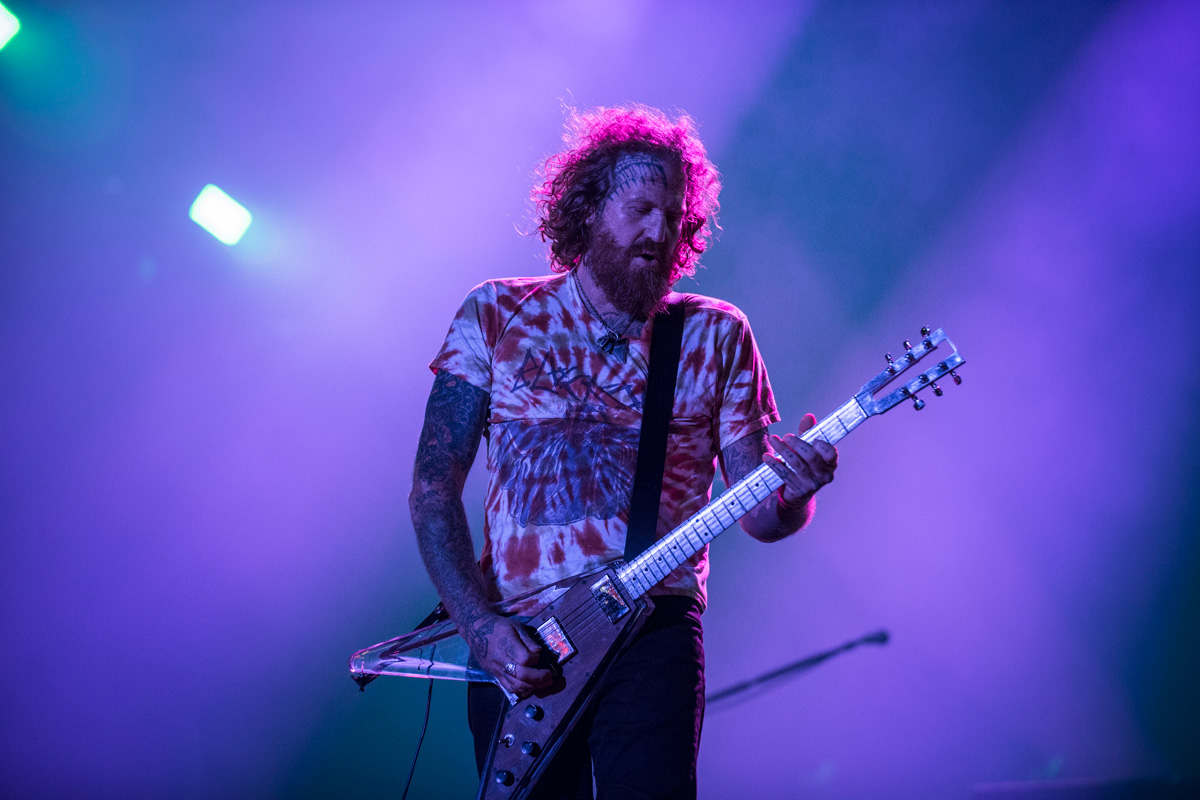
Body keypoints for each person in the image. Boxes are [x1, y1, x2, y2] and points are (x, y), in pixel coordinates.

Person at [410, 104, 838, 799]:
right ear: (586, 211)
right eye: (640, 208)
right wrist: (480, 626)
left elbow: (761, 514)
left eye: (672, 216)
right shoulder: (494, 315)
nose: (659, 231)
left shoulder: (714, 335)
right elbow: (433, 493)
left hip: (653, 627)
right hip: (523, 639)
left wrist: (799, 490)